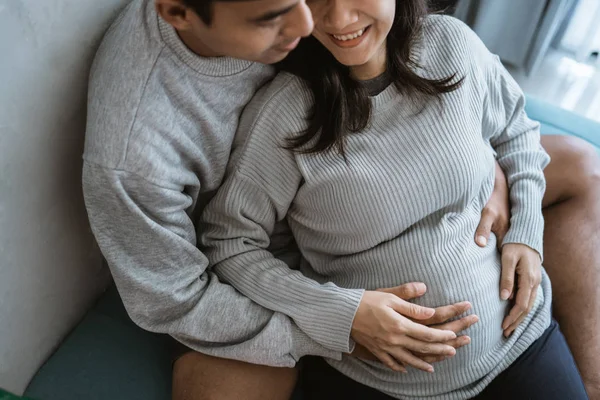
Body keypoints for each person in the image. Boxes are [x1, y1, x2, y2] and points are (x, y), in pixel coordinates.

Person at [82, 0, 600, 398]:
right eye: (277, 17)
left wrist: (491, 170)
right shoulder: (136, 153)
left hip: (499, 326)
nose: (312, 24)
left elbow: (504, 120)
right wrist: (338, 320)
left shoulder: (421, 40)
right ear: (177, 11)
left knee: (580, 163)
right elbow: (187, 294)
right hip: (262, 288)